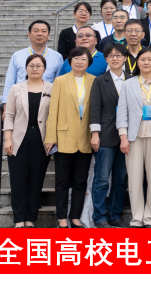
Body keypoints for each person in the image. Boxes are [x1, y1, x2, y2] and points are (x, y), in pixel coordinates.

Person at [117, 47, 151, 228]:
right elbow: (122, 112)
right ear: (137, 63)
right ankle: (137, 218)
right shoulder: (128, 84)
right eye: (143, 59)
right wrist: (123, 137)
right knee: (134, 179)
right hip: (134, 137)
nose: (146, 62)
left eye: (150, 59)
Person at [45, 46, 95, 228]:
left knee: (80, 181)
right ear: (70, 61)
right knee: (62, 181)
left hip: (85, 138)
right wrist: (50, 137)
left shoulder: (94, 81)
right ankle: (62, 218)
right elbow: (53, 111)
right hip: (64, 137)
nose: (80, 62)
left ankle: (75, 217)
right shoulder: (60, 81)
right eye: (76, 58)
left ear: (89, 62)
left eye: (83, 59)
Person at [3, 53, 52, 228]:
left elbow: (54, 115)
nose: (35, 69)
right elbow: (9, 115)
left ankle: (30, 219)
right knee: (18, 180)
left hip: (42, 139)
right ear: (26, 68)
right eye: (31, 65)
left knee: (36, 180)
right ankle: (19, 220)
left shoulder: (52, 88)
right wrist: (8, 139)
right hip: (19, 138)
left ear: (44, 69)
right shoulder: (16, 88)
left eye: (39, 66)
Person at [87, 44, 130, 228]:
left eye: (118, 55)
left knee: (121, 178)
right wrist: (95, 134)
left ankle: (115, 214)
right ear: (105, 59)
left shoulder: (132, 79)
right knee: (102, 178)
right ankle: (99, 216)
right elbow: (94, 109)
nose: (115, 58)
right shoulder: (99, 81)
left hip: (126, 137)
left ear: (125, 58)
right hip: (105, 135)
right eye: (111, 55)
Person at [1, 20, 63, 107]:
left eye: (43, 31)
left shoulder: (57, 57)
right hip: (20, 102)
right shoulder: (17, 56)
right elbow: (10, 81)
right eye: (36, 31)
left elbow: (58, 83)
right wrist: (6, 104)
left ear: (48, 35)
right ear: (29, 34)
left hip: (46, 103)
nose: (40, 34)